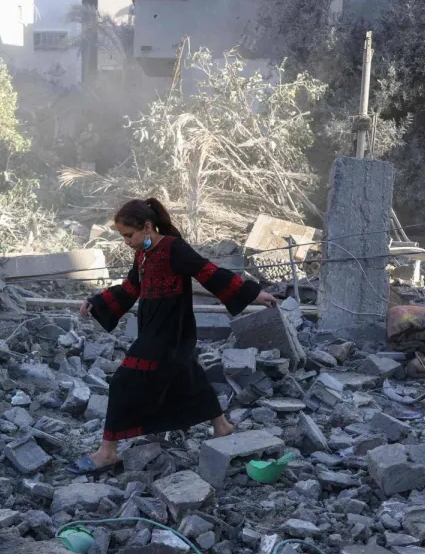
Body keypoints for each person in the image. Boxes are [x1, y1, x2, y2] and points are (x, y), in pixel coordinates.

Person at [73, 198, 278, 473]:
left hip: (171, 329)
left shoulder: (174, 248)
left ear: (147, 227)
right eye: (123, 236)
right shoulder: (143, 254)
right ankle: (222, 426)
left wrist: (253, 293)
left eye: (129, 235)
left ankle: (107, 451)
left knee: (123, 380)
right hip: (153, 326)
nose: (126, 242)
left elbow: (208, 272)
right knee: (186, 374)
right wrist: (97, 301)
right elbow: (131, 287)